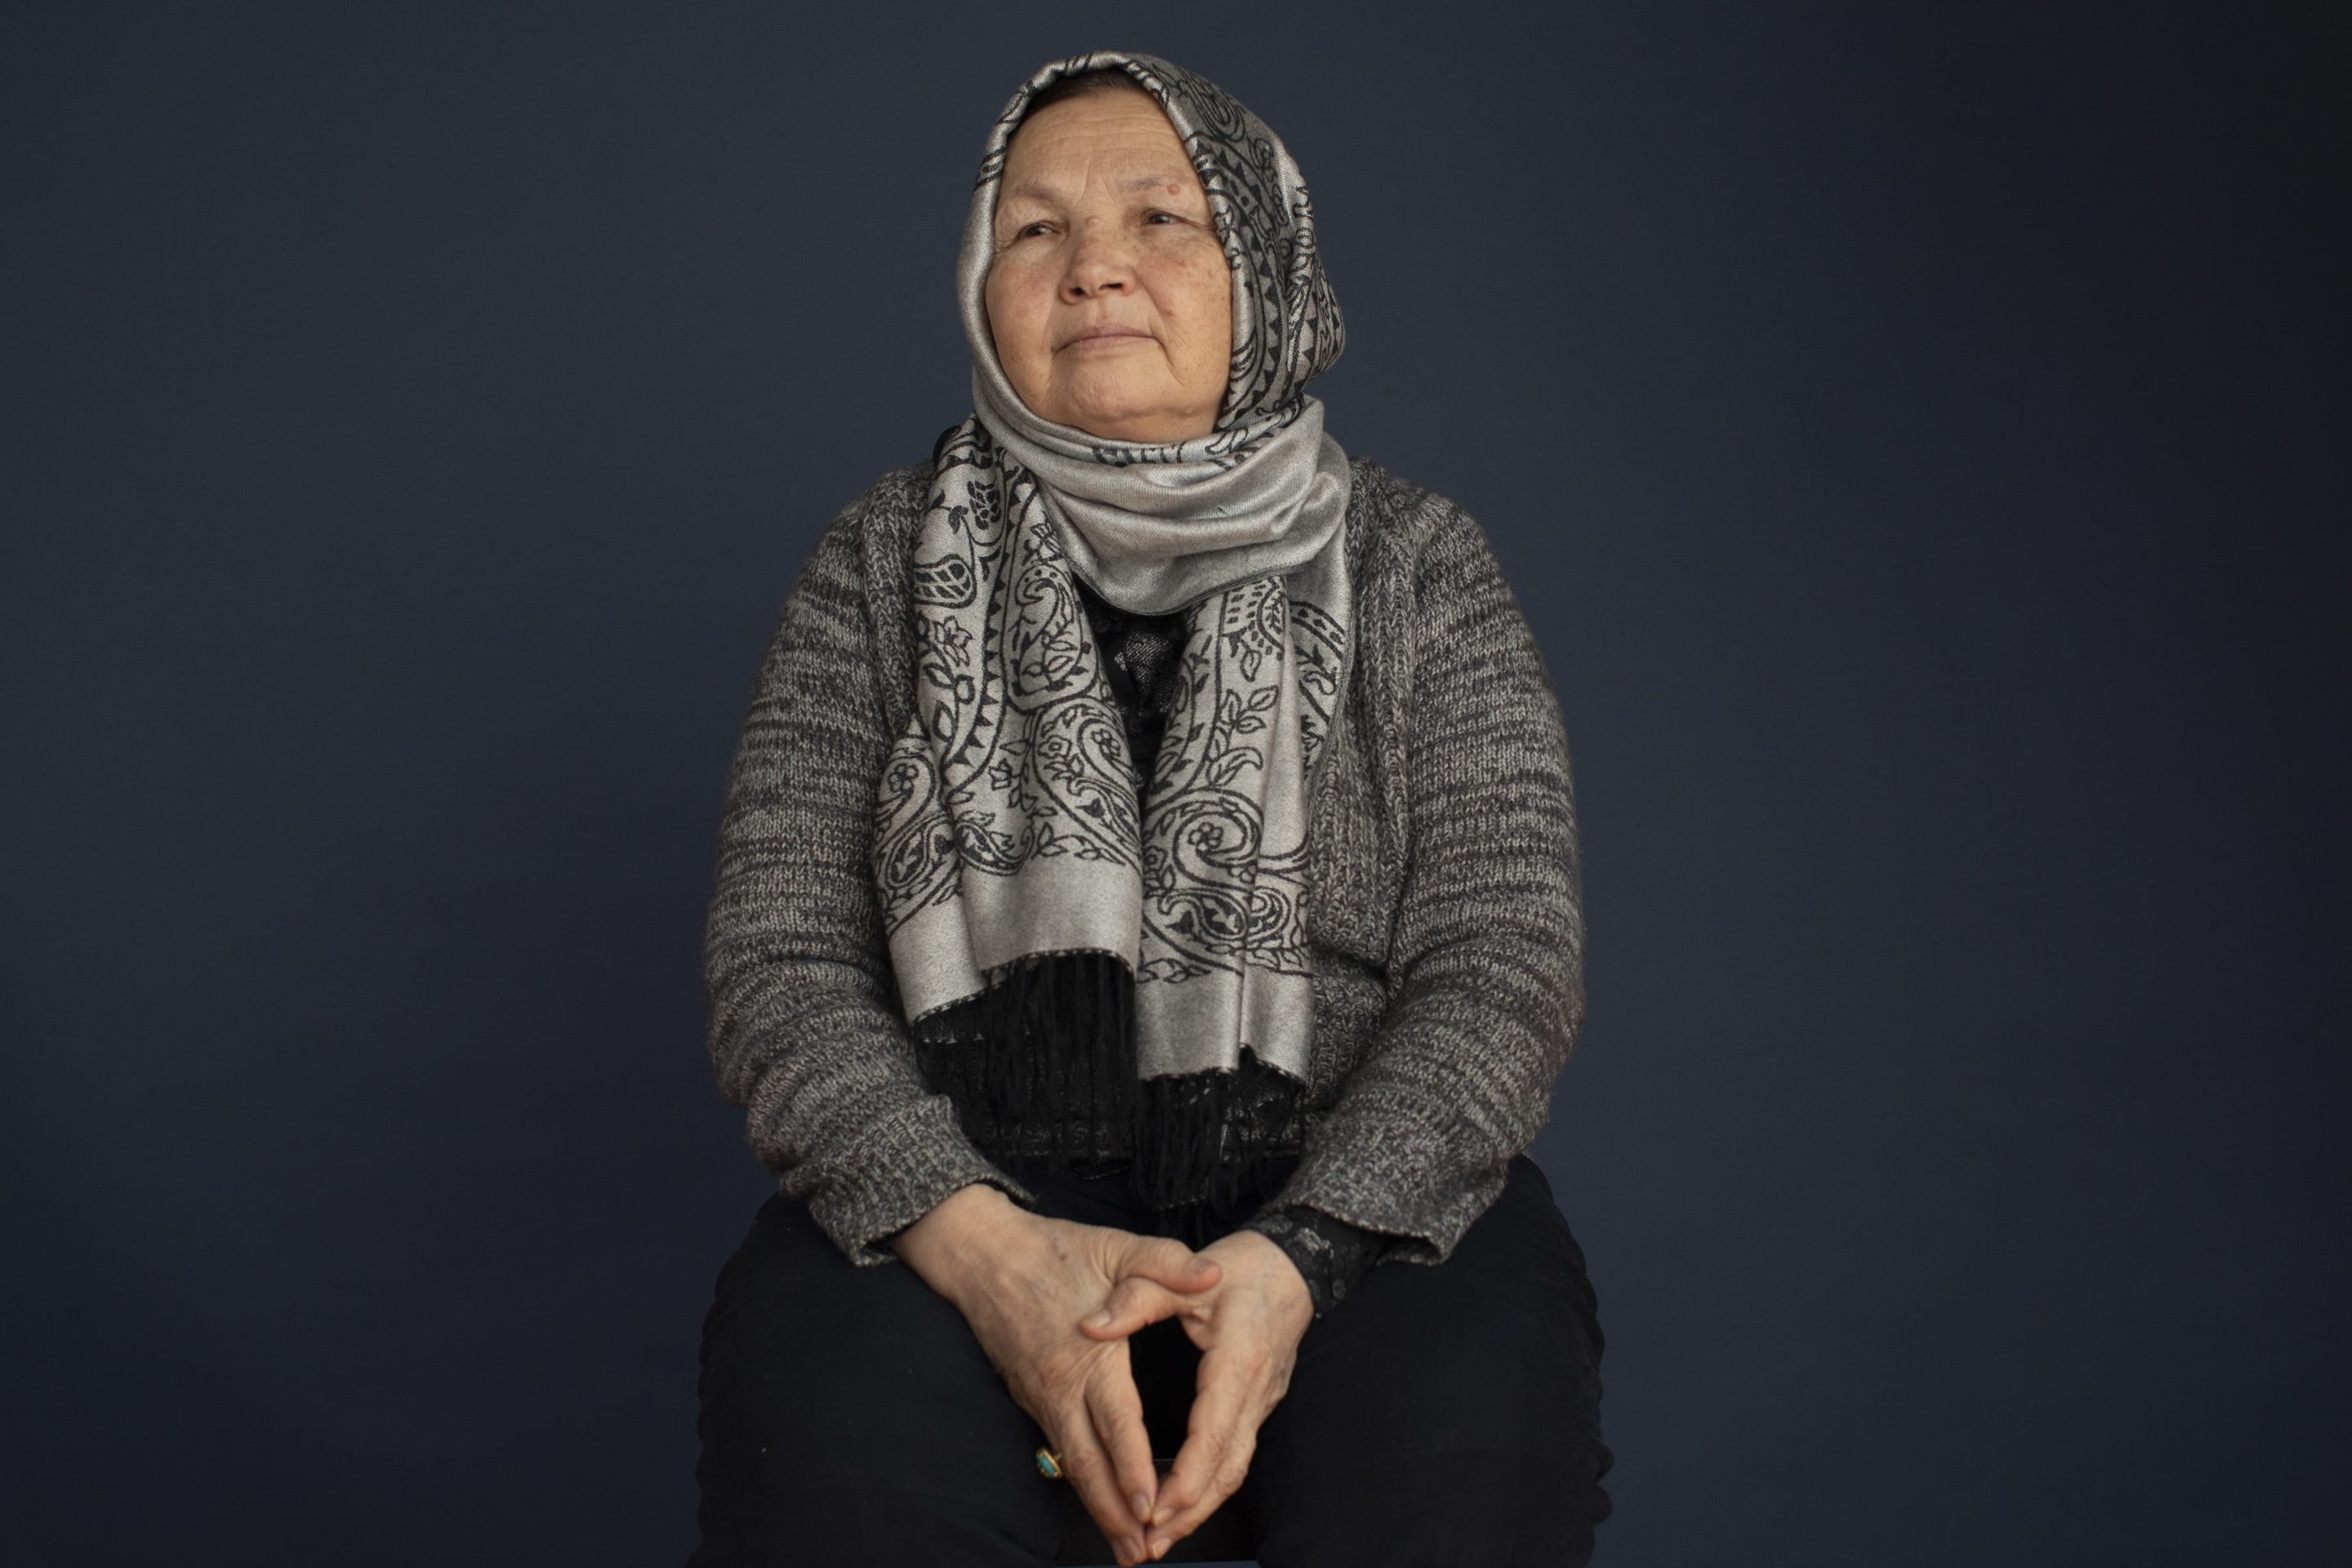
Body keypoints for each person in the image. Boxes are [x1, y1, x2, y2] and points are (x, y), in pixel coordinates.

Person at [689, 50, 1613, 1568]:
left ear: (1262, 267)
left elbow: (1503, 966)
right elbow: (779, 969)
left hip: (1359, 1204)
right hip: (957, 1194)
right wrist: (986, 1253)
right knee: (838, 1481)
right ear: (984, 286)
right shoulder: (875, 566)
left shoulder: (1416, 561)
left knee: (1457, 1477)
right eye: (1035, 228)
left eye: (1161, 220)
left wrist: (1303, 1253)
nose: (1094, 269)